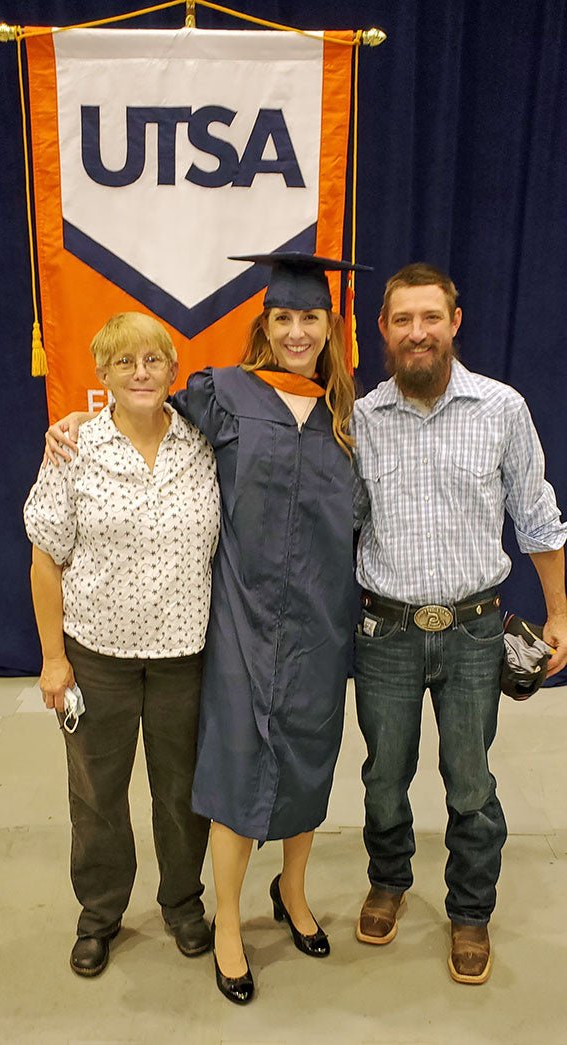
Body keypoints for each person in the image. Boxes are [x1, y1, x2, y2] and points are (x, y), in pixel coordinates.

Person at [45, 252, 364, 1004]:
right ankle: (225, 920)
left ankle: (291, 892)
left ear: (329, 327)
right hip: (240, 626)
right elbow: (138, 407)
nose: (294, 330)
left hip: (320, 628)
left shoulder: (350, 416)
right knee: (232, 770)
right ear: (265, 324)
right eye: (282, 317)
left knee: (310, 762)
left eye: (308, 317)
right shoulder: (222, 394)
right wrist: (75, 424)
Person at [352, 262, 567, 985]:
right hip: (385, 634)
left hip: (476, 632)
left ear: (455, 322)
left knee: (470, 781)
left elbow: (537, 517)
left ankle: (470, 911)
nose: (418, 332)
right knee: (384, 777)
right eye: (403, 319)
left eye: (430, 317)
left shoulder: (502, 409)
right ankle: (389, 877)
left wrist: (560, 611)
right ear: (382, 329)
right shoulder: (358, 420)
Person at [24, 312, 220, 977]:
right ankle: (100, 914)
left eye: (154, 360)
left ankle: (183, 903)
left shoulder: (204, 442)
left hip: (184, 659)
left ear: (172, 369)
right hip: (97, 658)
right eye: (125, 362)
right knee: (97, 794)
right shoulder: (73, 449)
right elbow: (45, 558)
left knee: (183, 790)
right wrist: (54, 659)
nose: (141, 373)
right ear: (102, 373)